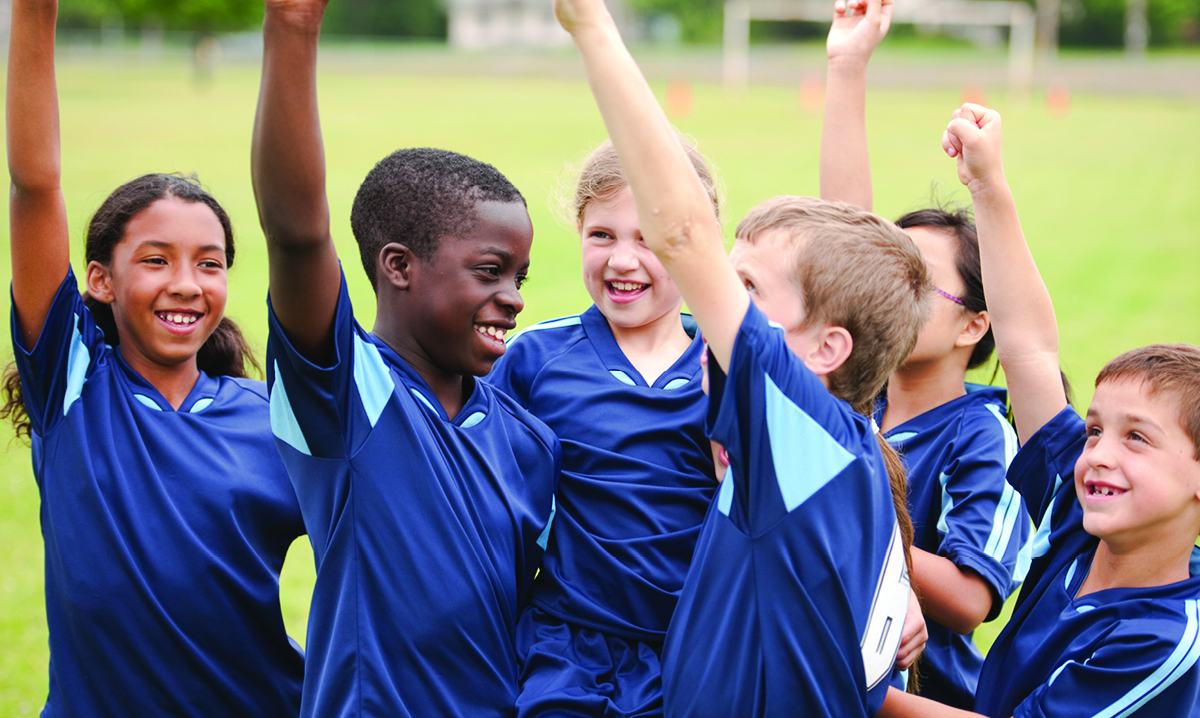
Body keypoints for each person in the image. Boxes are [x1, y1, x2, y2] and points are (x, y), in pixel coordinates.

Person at [554, 0, 932, 715]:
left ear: (825, 350)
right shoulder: (830, 444)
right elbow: (852, 269)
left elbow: (687, 236)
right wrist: (846, 70)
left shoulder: (802, 443)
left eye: (745, 287)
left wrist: (593, 30)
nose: (719, 297)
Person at [250, 0, 559, 715]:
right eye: (489, 272)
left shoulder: (529, 442)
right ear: (398, 266)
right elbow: (296, 233)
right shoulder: (346, 398)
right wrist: (293, 28)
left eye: (521, 277)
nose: (512, 297)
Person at [2, 0, 306, 713]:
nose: (185, 284)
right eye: (156, 259)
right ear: (100, 283)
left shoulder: (272, 420)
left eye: (209, 263)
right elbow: (34, 184)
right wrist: (35, 14)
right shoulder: (75, 392)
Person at [879, 104, 1200, 718]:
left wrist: (846, 690)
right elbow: (1029, 349)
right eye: (1096, 428)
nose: (1098, 453)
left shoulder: (1163, 639)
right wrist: (987, 184)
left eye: (1138, 439)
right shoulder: (1082, 519)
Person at [819, 0, 1032, 706]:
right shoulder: (852, 390)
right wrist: (847, 68)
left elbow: (971, 597)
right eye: (893, 274)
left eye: (921, 283)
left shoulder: (983, 432)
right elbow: (847, 245)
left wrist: (849, 518)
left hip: (922, 698)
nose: (890, 291)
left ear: (974, 326)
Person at [486, 138, 721, 717]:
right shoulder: (535, 357)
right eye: (603, 235)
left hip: (695, 652)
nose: (621, 259)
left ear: (698, 242)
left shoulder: (729, 363)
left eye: (649, 238)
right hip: (566, 647)